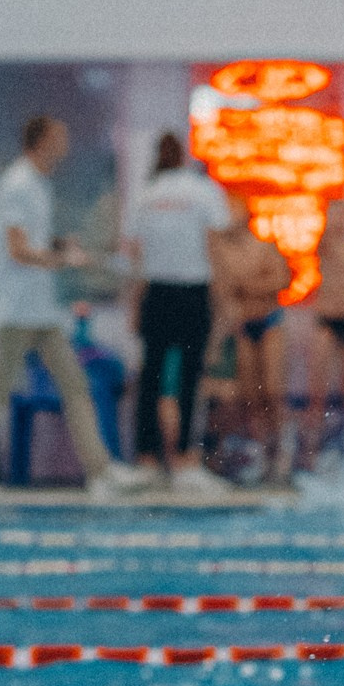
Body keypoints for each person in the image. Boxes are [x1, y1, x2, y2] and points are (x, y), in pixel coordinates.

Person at [0, 116, 154, 500]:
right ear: (41, 141)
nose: (66, 147)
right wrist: (62, 260)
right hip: (17, 309)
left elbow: (32, 241)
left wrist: (60, 246)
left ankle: (101, 472)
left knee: (75, 385)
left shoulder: (38, 185)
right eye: (60, 138)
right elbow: (17, 250)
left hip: (41, 310)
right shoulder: (17, 185)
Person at [121, 132, 233, 495]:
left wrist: (135, 304)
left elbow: (136, 256)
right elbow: (214, 248)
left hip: (156, 293)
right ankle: (185, 461)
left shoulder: (145, 194)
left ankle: (147, 460)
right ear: (183, 156)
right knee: (189, 380)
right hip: (192, 294)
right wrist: (223, 301)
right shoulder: (202, 191)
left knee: (150, 379)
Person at [208, 193, 293, 484]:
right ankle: (260, 455)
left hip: (269, 322)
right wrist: (252, 285)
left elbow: (282, 280)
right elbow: (222, 289)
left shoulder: (264, 246)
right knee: (251, 396)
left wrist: (248, 287)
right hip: (242, 326)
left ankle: (280, 452)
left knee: (273, 391)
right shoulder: (220, 250)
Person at [299, 199, 344, 459]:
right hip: (327, 318)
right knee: (317, 388)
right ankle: (311, 448)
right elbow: (319, 248)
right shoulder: (325, 242)